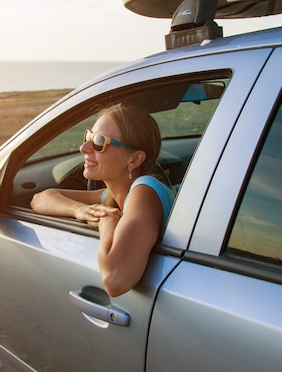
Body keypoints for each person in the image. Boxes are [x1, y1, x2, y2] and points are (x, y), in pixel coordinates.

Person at [30, 105, 174, 297]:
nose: (84, 148)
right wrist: (79, 210)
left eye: (99, 142)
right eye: (89, 136)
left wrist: (106, 222)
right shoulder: (113, 194)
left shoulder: (145, 191)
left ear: (134, 159)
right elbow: (40, 199)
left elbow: (115, 280)